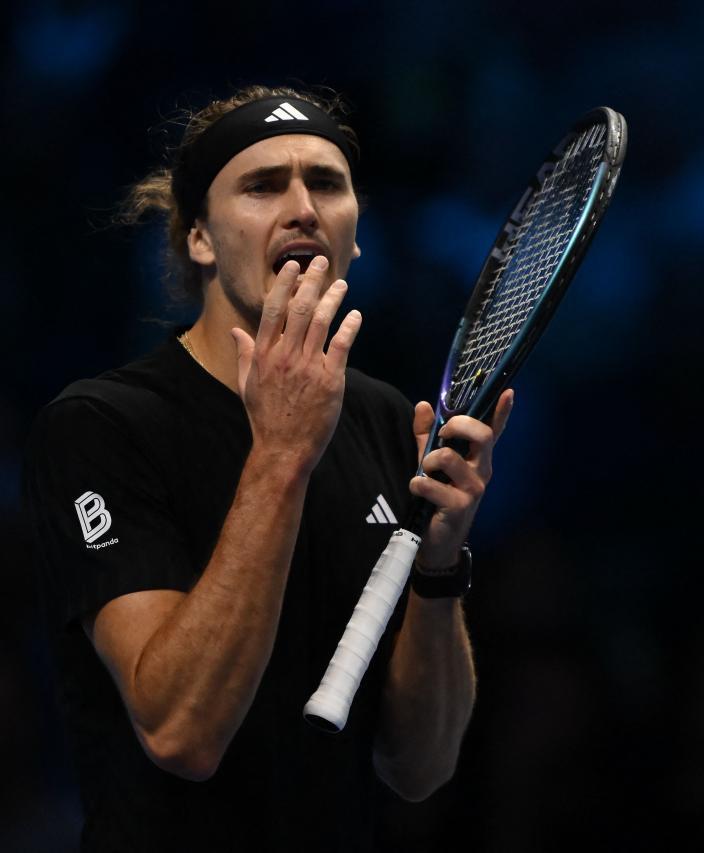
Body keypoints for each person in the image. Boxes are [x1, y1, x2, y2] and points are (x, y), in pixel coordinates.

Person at [22, 84, 514, 851]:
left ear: (356, 236)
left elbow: (421, 766)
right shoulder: (101, 426)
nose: (303, 209)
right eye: (262, 185)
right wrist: (282, 453)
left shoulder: (387, 420)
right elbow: (181, 730)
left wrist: (441, 566)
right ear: (199, 238)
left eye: (326, 183)